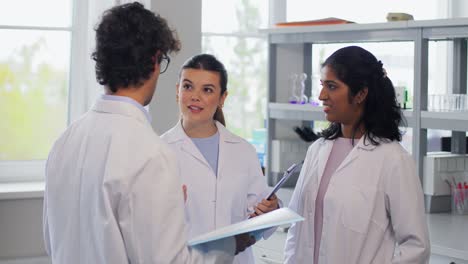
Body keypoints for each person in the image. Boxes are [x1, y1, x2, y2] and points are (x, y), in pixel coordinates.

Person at [43, 3, 254, 264]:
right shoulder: (152, 154)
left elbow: (54, 243)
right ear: (155, 61)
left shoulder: (65, 142)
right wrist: (228, 247)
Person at [284, 46, 430, 264]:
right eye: (323, 85)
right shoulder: (318, 149)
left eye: (332, 87)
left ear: (361, 93)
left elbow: (417, 247)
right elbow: (297, 228)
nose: (322, 95)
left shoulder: (393, 160)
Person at [161, 53, 280, 264]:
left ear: (222, 98)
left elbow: (258, 217)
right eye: (188, 87)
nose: (195, 96)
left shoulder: (243, 151)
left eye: (207, 90)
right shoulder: (159, 151)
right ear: (177, 92)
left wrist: (272, 210)